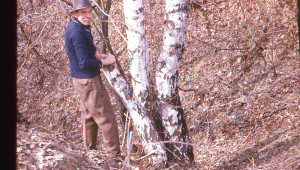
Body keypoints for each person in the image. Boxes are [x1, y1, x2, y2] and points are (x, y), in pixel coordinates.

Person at [64, 0, 121, 161]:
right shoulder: (77, 32)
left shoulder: (77, 27)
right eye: (83, 12)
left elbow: (84, 55)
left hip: (80, 80)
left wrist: (100, 56)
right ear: (75, 14)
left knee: (89, 117)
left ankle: (90, 152)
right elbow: (84, 62)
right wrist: (105, 62)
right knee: (106, 118)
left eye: (89, 12)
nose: (88, 16)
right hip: (88, 81)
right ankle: (114, 158)